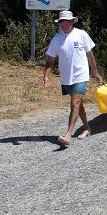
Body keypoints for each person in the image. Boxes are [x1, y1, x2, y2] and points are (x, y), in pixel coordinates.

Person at [43, 11, 103, 146]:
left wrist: (95, 72)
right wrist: (46, 76)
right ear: (60, 23)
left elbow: (90, 55)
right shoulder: (56, 39)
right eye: (62, 21)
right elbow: (50, 59)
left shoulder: (81, 35)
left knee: (74, 103)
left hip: (80, 74)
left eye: (67, 21)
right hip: (66, 77)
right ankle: (87, 128)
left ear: (72, 22)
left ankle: (68, 134)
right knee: (77, 103)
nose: (64, 23)